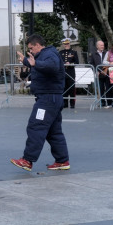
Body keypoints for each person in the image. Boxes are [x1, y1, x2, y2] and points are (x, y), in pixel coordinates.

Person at [10, 34, 70, 171]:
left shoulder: (50, 54)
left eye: (31, 48)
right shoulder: (45, 54)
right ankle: (62, 160)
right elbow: (41, 65)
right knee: (53, 132)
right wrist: (26, 61)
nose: (31, 51)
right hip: (52, 98)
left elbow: (51, 66)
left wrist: (35, 63)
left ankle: (27, 160)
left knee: (36, 126)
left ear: (38, 45)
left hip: (47, 100)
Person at [59, 38, 79, 108]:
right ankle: (65, 103)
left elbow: (77, 62)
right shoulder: (60, 52)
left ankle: (72, 103)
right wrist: (64, 63)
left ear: (69, 44)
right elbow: (59, 62)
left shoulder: (74, 52)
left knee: (72, 88)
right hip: (63, 72)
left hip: (71, 72)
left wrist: (70, 63)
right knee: (64, 88)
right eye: (65, 44)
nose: (66, 45)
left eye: (67, 44)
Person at [89, 40, 109, 107]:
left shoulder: (106, 53)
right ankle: (102, 102)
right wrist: (96, 70)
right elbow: (91, 64)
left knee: (108, 88)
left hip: (106, 73)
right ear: (97, 46)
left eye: (103, 45)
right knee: (101, 89)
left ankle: (109, 102)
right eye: (101, 45)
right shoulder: (93, 54)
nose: (102, 47)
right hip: (99, 74)